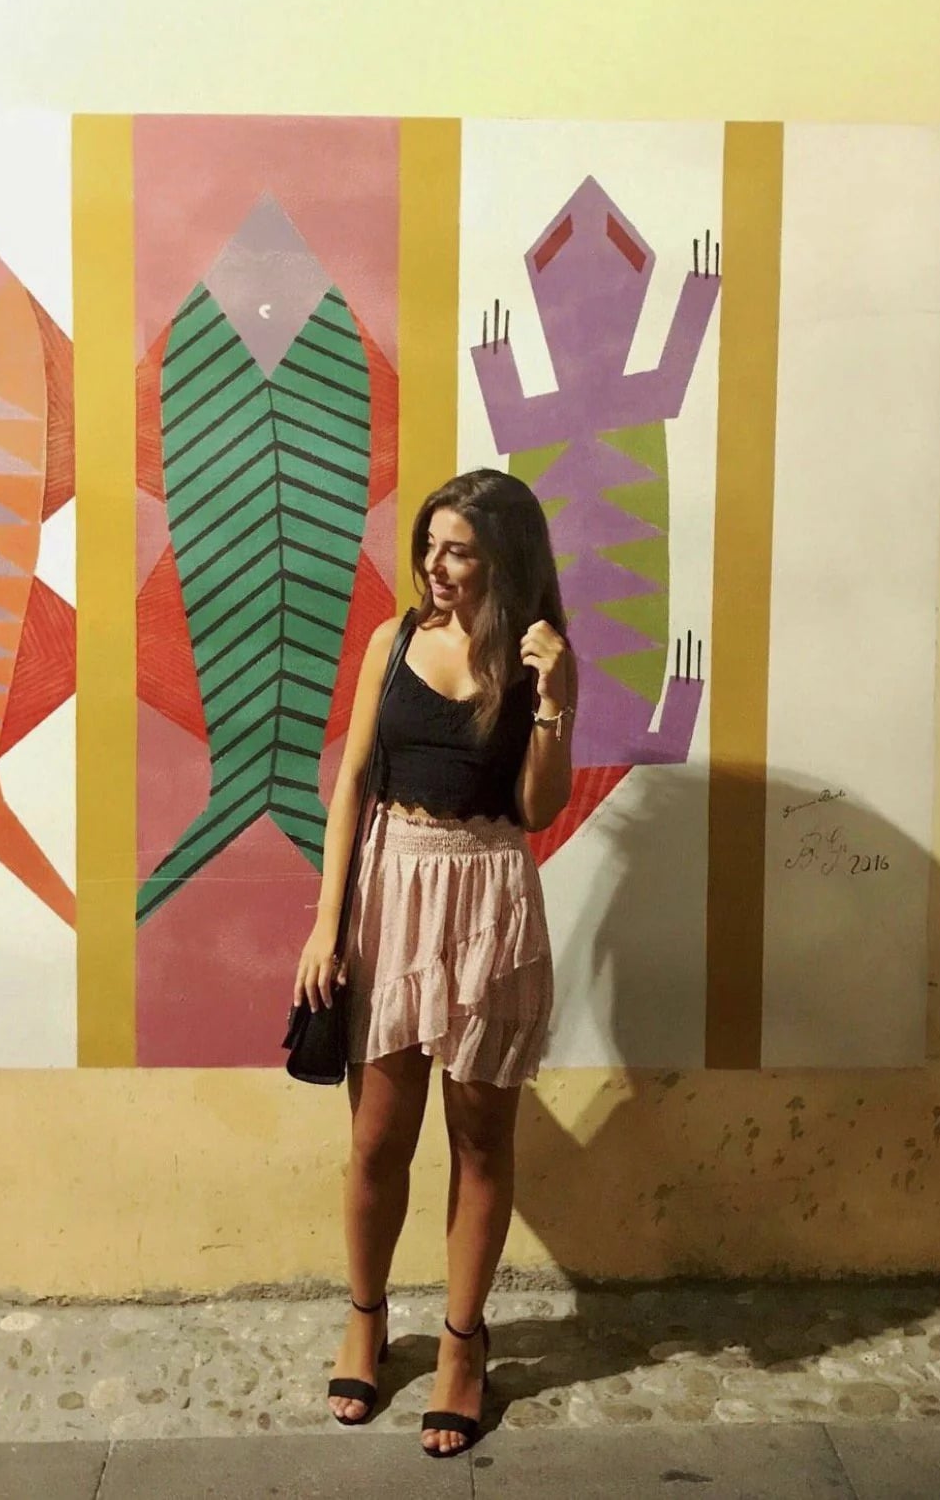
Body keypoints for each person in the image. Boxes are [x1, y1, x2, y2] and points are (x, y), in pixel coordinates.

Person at [292, 467, 577, 1458]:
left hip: (490, 893)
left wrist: (555, 702)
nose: (435, 565)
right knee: (378, 1137)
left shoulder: (538, 658)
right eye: (431, 544)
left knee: (481, 1139)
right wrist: (326, 923)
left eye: (459, 550)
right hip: (392, 889)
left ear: (505, 559)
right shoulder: (394, 640)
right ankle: (366, 1317)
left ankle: (462, 1343)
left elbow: (539, 809)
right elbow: (350, 785)